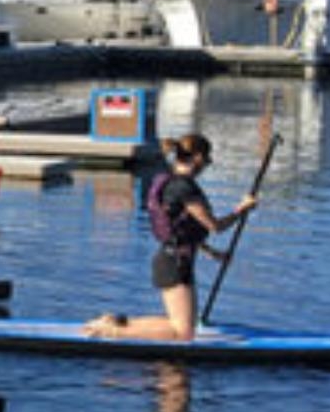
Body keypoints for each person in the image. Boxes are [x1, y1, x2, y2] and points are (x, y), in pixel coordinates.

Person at [85, 134, 257, 342]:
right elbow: (215, 226)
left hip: (174, 259)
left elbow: (182, 229)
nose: (206, 167)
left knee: (185, 327)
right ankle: (111, 330)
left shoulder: (169, 181)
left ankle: (116, 323)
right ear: (198, 158)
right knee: (182, 333)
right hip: (174, 263)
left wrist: (212, 252)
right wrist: (242, 209)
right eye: (207, 161)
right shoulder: (184, 188)